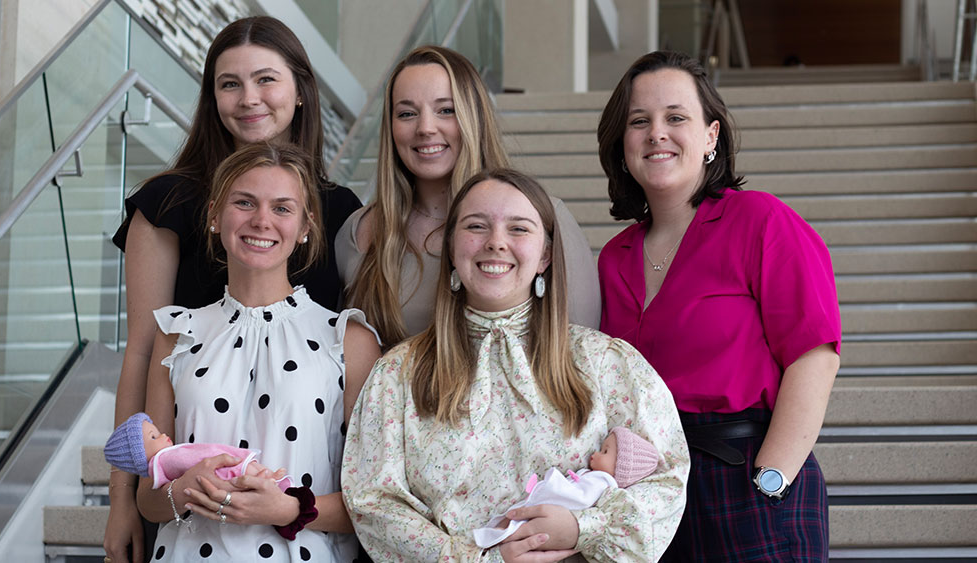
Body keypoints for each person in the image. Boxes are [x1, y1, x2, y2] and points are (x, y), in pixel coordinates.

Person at [105, 16, 362, 563]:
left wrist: (296, 506)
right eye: (229, 83)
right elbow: (141, 351)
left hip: (301, 511)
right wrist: (123, 500)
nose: (249, 99)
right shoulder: (168, 203)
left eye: (266, 79)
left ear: (299, 93)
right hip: (193, 499)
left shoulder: (340, 211)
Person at [342, 168, 689, 562]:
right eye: (476, 226)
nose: (496, 243)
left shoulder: (606, 362)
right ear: (451, 247)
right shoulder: (397, 375)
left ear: (544, 255)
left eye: (519, 229)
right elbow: (373, 501)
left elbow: (666, 479)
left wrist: (582, 530)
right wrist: (481, 560)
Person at [595, 51, 841, 561]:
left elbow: (814, 354)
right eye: (639, 121)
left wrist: (772, 476)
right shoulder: (614, 258)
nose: (656, 133)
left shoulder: (761, 221)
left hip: (749, 478)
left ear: (711, 136)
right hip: (651, 487)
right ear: (622, 144)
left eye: (676, 117)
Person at [133, 142, 380, 562]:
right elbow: (149, 501)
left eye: (282, 208)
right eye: (244, 202)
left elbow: (374, 503)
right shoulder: (176, 335)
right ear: (215, 215)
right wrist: (187, 486)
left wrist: (288, 508)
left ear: (306, 225)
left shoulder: (349, 339)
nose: (262, 221)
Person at [336, 45, 600, 348]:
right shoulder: (359, 232)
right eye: (407, 113)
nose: (425, 128)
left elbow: (582, 351)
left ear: (473, 117)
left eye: (445, 110)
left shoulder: (541, 219)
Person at [473, 427, 660, 549]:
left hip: (551, 513)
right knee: (510, 522)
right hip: (547, 509)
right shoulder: (594, 476)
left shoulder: (602, 483)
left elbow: (578, 500)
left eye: (605, 451)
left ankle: (488, 541)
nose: (595, 454)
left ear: (621, 467)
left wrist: (556, 483)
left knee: (514, 528)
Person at [104, 412, 293, 491]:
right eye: (154, 438)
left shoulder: (166, 459)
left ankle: (270, 478)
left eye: (158, 432)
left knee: (247, 467)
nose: (163, 436)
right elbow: (193, 461)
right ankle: (271, 480)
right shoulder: (168, 459)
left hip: (218, 466)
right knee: (243, 468)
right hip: (219, 470)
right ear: (140, 456)